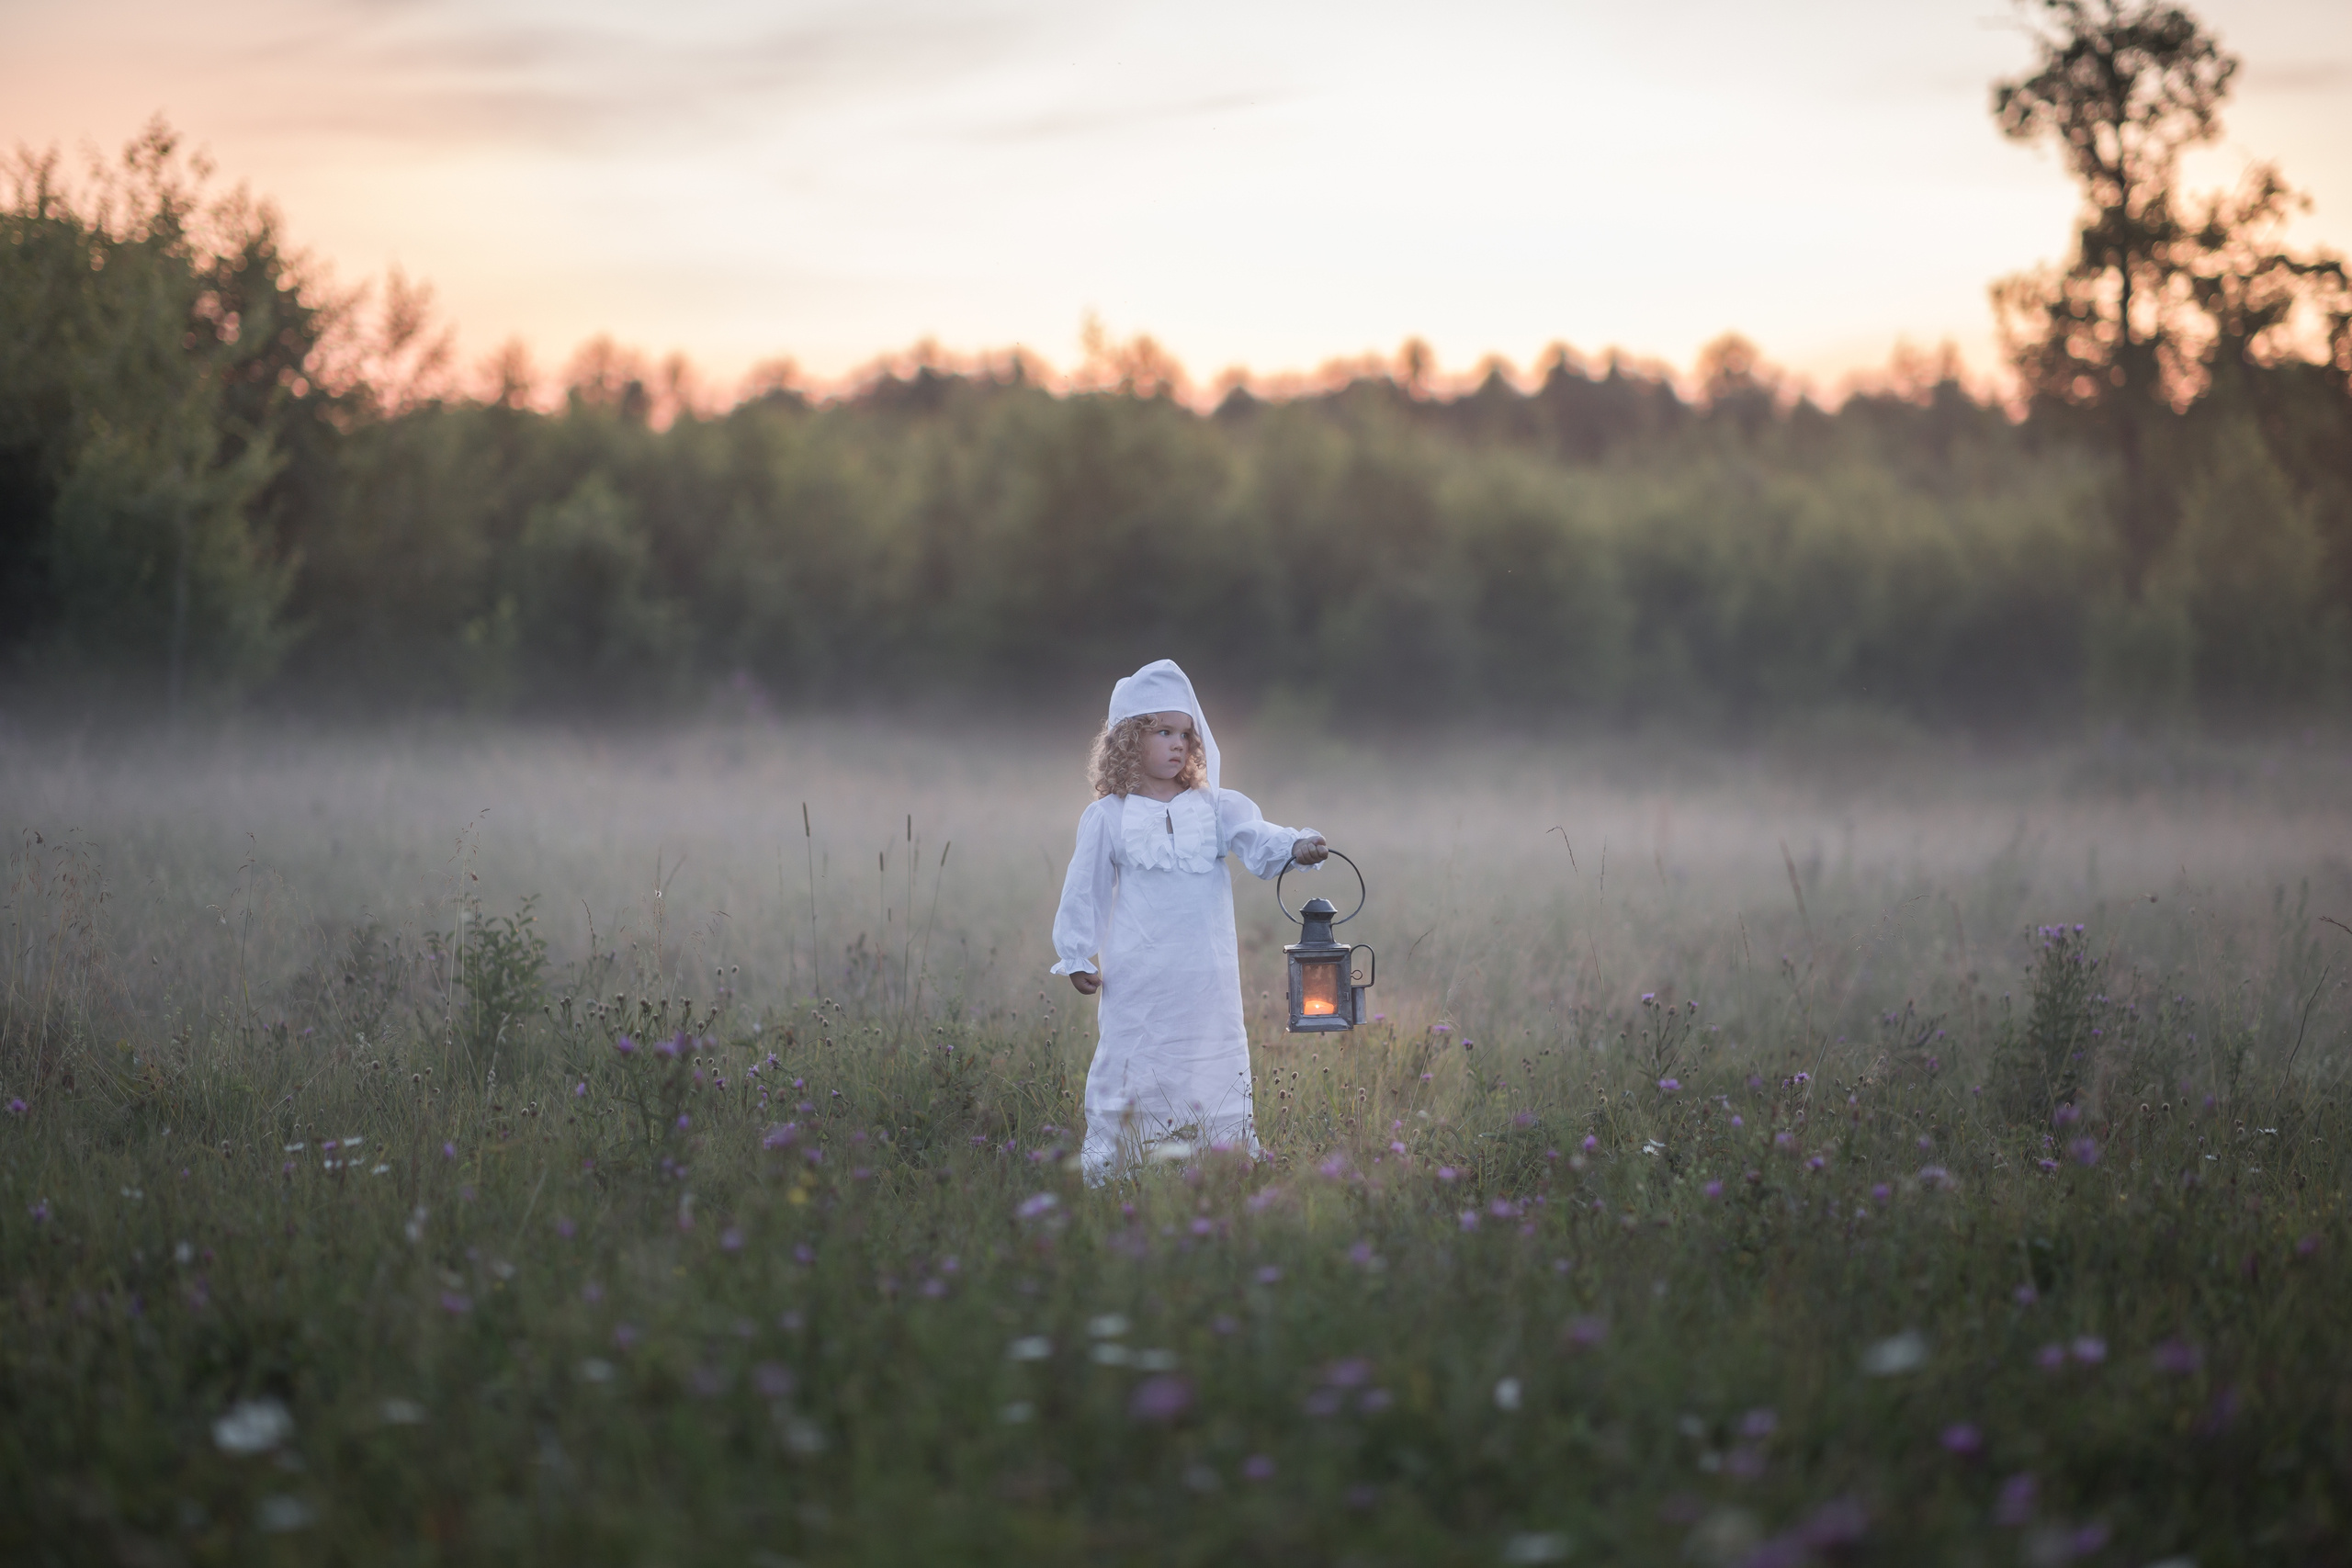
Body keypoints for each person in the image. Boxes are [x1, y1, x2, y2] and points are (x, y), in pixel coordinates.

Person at [1050, 659, 1328, 1183]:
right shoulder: (1110, 815)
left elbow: (1258, 838)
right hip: (1140, 973)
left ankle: (1213, 1161)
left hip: (1206, 974)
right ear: (1130, 740)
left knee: (1208, 1054)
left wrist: (1296, 846)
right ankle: (1129, 1163)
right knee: (1138, 1051)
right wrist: (1075, 952)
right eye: (1162, 732)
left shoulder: (1213, 808)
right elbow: (1083, 887)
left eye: (1185, 733)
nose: (1178, 743)